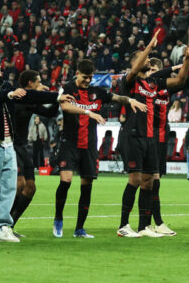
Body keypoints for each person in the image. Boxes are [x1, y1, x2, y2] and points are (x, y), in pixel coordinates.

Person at [0, 56, 62, 242]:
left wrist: (57, 96)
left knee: (9, 189)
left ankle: (1, 228)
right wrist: (9, 95)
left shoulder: (5, 86)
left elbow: (31, 96)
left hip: (10, 144)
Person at [116, 37, 189, 238]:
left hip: (150, 137)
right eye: (145, 58)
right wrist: (149, 47)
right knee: (135, 179)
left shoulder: (153, 82)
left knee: (148, 181)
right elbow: (135, 69)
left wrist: (187, 59)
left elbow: (179, 81)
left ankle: (144, 226)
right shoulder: (129, 81)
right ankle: (123, 225)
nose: (149, 60)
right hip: (133, 135)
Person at [56, 59, 140, 238]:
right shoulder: (68, 88)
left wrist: (130, 100)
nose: (88, 80)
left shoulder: (97, 92)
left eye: (90, 77)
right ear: (77, 73)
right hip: (69, 143)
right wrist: (89, 112)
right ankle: (58, 218)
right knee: (66, 180)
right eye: (85, 77)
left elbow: (117, 98)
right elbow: (65, 106)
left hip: (89, 146)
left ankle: (79, 229)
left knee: (87, 185)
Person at [10, 69, 60, 231]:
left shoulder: (31, 101)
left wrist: (55, 99)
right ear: (30, 83)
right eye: (38, 81)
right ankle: (2, 224)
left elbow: (50, 113)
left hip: (23, 147)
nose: (41, 84)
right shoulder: (17, 98)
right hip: (11, 146)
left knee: (30, 187)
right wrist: (39, 96)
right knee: (19, 184)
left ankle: (10, 225)